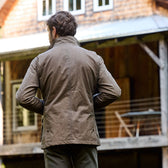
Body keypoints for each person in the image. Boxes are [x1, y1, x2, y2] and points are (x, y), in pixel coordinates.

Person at [16, 11, 121, 168]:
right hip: (85, 134)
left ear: (54, 31)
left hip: (55, 136)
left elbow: (23, 96)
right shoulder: (93, 58)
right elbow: (113, 91)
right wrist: (89, 104)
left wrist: (47, 108)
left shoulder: (40, 60)